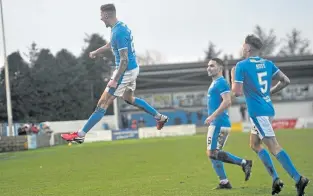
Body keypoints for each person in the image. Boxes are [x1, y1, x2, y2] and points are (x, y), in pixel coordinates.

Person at [61, 4, 168, 143]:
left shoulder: (119, 32)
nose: (100, 19)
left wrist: (115, 80)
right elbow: (111, 44)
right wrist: (96, 52)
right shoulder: (118, 27)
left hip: (125, 71)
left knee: (102, 103)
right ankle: (160, 117)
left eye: (101, 16)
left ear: (106, 15)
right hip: (132, 69)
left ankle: (80, 135)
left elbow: (123, 60)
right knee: (129, 99)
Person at [231, 34, 309, 196]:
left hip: (258, 112)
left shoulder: (241, 66)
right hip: (268, 109)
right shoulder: (268, 64)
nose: (242, 48)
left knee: (273, 146)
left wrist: (233, 76)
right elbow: (285, 80)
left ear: (247, 48)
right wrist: (269, 92)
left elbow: (237, 92)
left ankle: (298, 178)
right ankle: (275, 179)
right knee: (254, 144)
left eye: (243, 45)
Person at [205, 58, 252, 189]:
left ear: (220, 68)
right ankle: (224, 182)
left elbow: (227, 101)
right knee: (213, 152)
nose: (209, 68)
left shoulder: (221, 83)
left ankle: (244, 163)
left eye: (212, 66)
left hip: (219, 122)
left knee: (212, 153)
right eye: (208, 66)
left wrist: (212, 116)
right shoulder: (215, 82)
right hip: (218, 122)